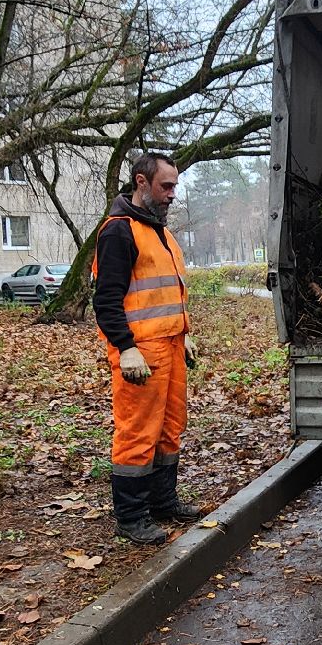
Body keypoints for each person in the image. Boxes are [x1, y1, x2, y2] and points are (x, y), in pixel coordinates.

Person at [93, 151, 205, 544]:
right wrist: (125, 348)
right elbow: (106, 300)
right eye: (166, 186)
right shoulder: (118, 231)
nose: (173, 194)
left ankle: (163, 501)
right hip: (141, 351)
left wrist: (185, 332)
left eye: (175, 185)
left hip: (171, 345)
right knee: (139, 432)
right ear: (142, 183)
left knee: (170, 428)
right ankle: (131, 516)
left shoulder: (161, 231)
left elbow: (172, 292)